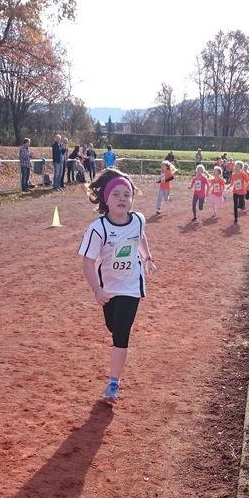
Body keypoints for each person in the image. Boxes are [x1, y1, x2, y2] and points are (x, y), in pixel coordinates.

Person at [78, 169, 155, 405]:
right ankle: (115, 372)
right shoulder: (98, 228)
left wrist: (147, 258)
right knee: (113, 326)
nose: (122, 198)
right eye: (116, 194)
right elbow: (88, 262)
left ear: (132, 199)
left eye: (127, 195)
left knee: (121, 332)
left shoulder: (138, 220)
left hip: (131, 287)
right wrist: (96, 289)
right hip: (108, 288)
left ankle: (113, 383)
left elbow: (140, 236)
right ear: (106, 199)